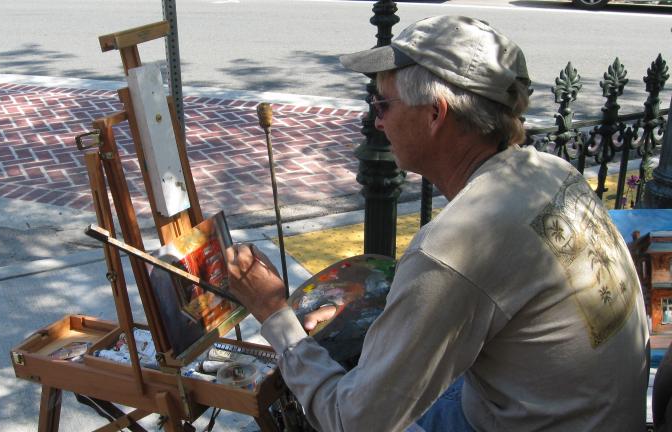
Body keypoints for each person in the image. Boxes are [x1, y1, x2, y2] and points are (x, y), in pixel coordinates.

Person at [225, 15, 649, 432]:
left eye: (383, 104)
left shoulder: (460, 244)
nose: (377, 121)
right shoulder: (552, 171)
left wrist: (273, 312)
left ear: (434, 114)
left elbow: (354, 421)